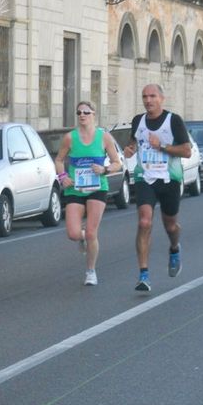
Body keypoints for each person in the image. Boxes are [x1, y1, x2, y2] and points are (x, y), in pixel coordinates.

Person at [123, 84, 192, 292]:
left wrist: (161, 146)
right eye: (145, 96)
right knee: (144, 222)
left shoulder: (174, 121)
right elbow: (134, 143)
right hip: (145, 177)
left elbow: (187, 151)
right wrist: (130, 149)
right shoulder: (138, 121)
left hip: (169, 179)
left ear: (162, 98)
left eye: (153, 96)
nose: (148, 100)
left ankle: (174, 248)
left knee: (170, 225)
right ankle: (143, 274)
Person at [54, 100, 121, 286]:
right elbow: (59, 160)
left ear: (94, 114)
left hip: (97, 187)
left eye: (86, 112)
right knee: (73, 234)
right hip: (75, 188)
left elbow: (117, 163)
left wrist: (105, 169)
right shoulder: (70, 138)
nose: (82, 115)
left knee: (92, 233)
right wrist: (62, 176)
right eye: (79, 112)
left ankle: (90, 271)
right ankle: (82, 237)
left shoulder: (104, 137)